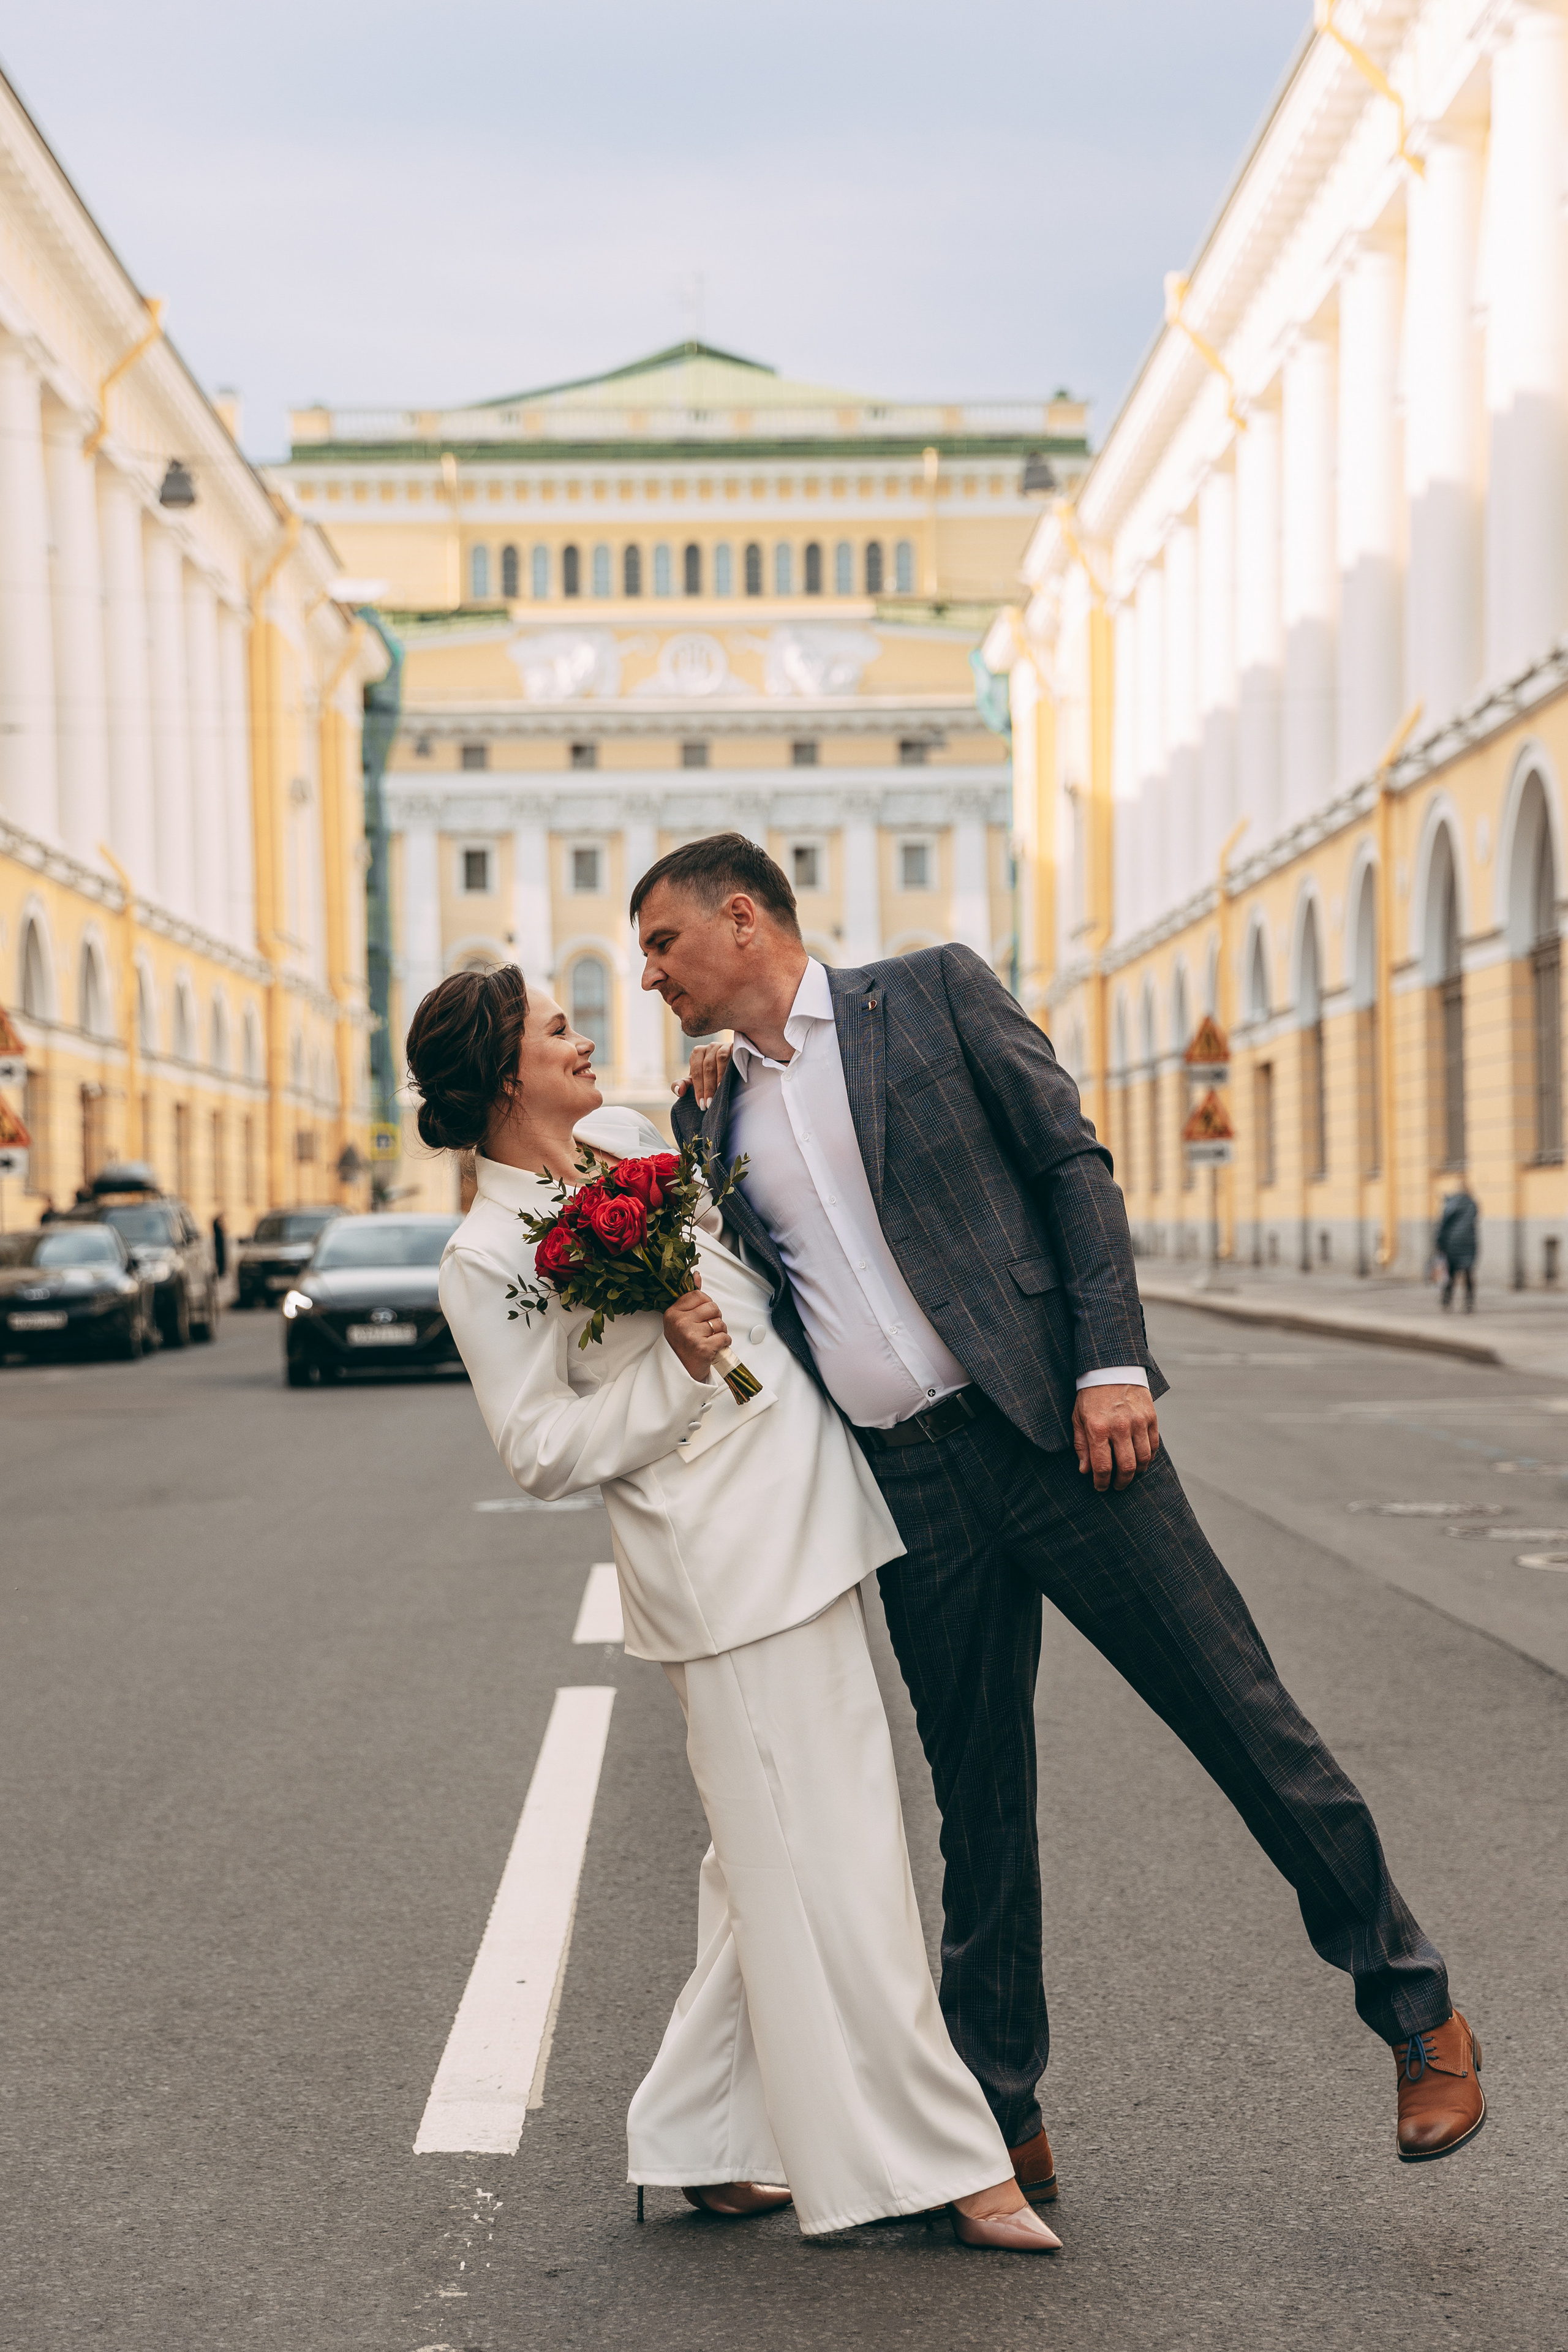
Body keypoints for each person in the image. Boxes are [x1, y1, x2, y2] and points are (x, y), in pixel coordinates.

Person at [633, 832, 1485, 2183]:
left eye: (662, 947)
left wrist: (1107, 1363)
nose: (650, 980)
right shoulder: (707, 1115)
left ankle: (1416, 2013)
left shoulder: (929, 993)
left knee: (1241, 1723)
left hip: (1060, 1435)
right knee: (979, 1813)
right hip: (910, 1481)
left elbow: (1069, 1167)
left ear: (740, 919)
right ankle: (998, 2119)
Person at [405, 963, 1060, 2253]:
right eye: (554, 1029)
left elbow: (743, 1265)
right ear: (500, 1078)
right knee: (837, 1859)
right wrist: (679, 1380)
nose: (585, 1033)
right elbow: (538, 1449)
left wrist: (722, 1088)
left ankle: (700, 2136)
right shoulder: (483, 1257)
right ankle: (937, 2162)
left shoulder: (628, 1143)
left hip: (808, 1511)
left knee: (769, 1858)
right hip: (716, 1566)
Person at [1433, 1185, 1478, 1313]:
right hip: (1469, 1243)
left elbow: (1443, 1225)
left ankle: (1446, 1300)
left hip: (1452, 1243)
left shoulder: (1451, 1205)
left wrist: (1439, 1242)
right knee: (1468, 1272)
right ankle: (1469, 1302)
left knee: (1450, 1273)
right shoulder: (1472, 1205)